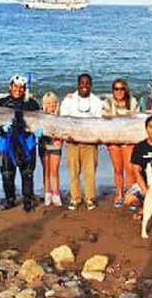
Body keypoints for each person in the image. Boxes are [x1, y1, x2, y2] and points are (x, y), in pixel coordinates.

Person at [0, 74, 40, 212]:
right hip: (6, 142)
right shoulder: (1, 103)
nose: (18, 90)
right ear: (10, 87)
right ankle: (10, 199)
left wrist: (39, 130)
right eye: (16, 87)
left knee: (27, 172)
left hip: (26, 141)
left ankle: (28, 199)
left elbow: (40, 120)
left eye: (21, 88)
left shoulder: (31, 103)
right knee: (7, 173)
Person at [60, 73, 103, 211]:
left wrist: (96, 138)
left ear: (91, 85)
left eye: (87, 83)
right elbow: (63, 119)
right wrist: (68, 136)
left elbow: (98, 122)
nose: (84, 85)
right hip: (72, 141)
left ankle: (90, 198)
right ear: (78, 84)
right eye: (82, 83)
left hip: (90, 142)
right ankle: (75, 198)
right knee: (73, 171)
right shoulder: (68, 100)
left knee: (89, 172)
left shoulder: (96, 101)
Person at [102, 78, 140, 207]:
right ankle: (119, 193)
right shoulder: (107, 102)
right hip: (113, 139)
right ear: (113, 91)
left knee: (130, 169)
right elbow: (103, 121)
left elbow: (137, 121)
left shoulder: (133, 102)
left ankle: (130, 194)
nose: (119, 91)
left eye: (122, 88)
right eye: (116, 89)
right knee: (118, 169)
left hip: (128, 139)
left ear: (126, 90)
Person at [39, 92, 63, 207]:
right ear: (44, 104)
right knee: (46, 170)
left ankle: (56, 194)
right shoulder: (40, 116)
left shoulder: (59, 117)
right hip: (43, 144)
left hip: (55, 144)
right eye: (48, 103)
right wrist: (38, 133)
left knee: (55, 171)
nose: (51, 105)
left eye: (53, 103)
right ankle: (47, 193)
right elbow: (36, 129)